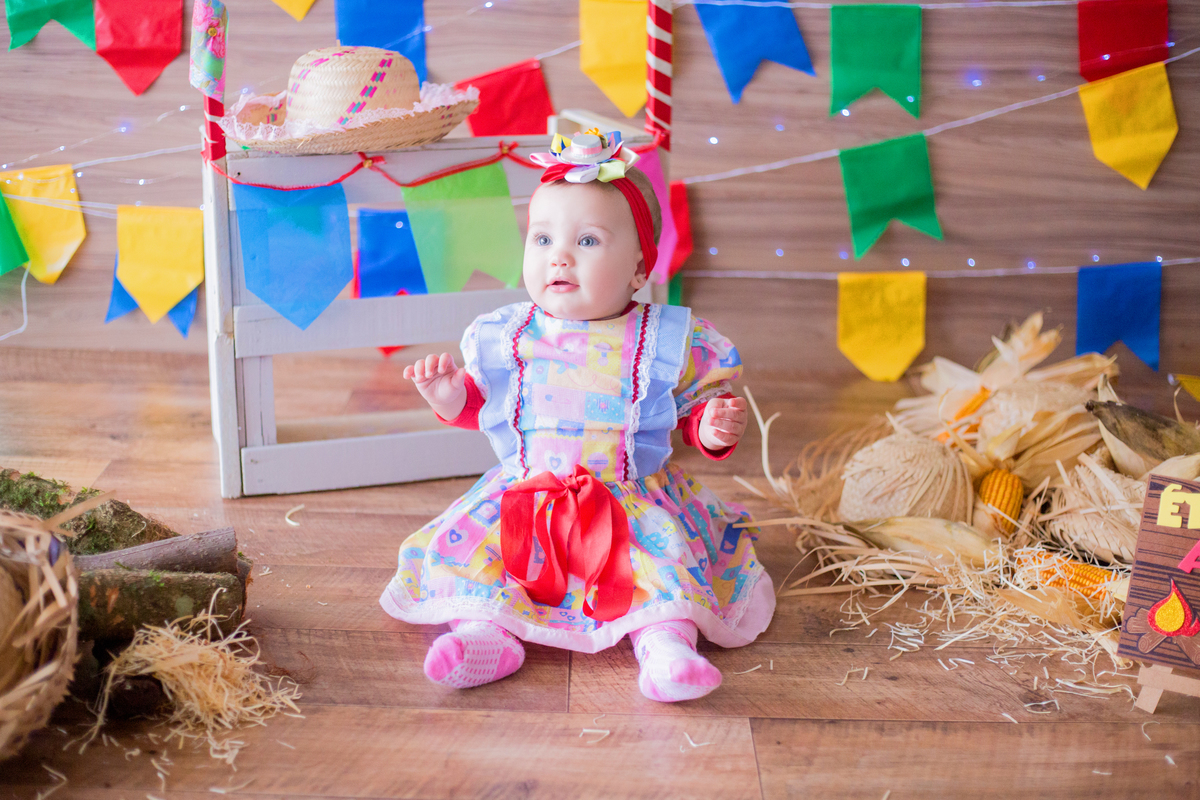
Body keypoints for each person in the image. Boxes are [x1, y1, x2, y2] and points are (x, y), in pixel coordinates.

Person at [380, 130, 774, 702]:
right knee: (481, 563)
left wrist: (711, 426)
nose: (558, 256)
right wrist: (448, 396)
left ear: (640, 269)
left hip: (628, 503)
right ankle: (483, 638)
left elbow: (689, 412)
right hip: (526, 502)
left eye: (587, 240)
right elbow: (482, 407)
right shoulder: (510, 334)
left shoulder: (661, 340)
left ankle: (665, 647)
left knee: (659, 572)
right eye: (542, 238)